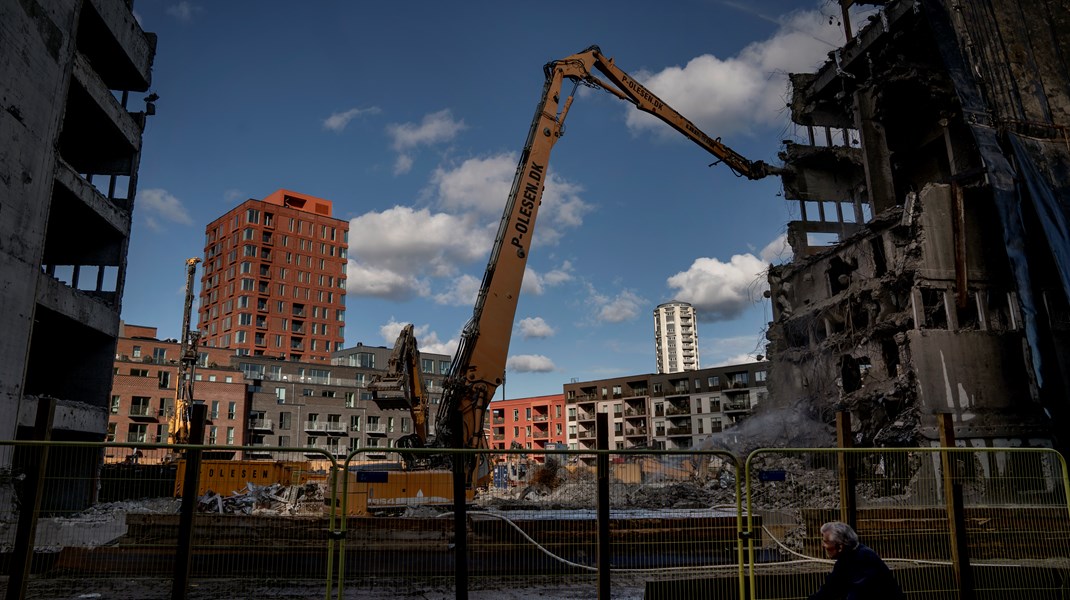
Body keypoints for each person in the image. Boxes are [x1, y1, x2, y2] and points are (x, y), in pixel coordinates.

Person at [808, 521, 905, 600]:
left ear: (840, 547)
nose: (823, 545)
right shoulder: (844, 560)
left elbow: (858, 593)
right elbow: (829, 589)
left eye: (825, 542)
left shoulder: (866, 558)